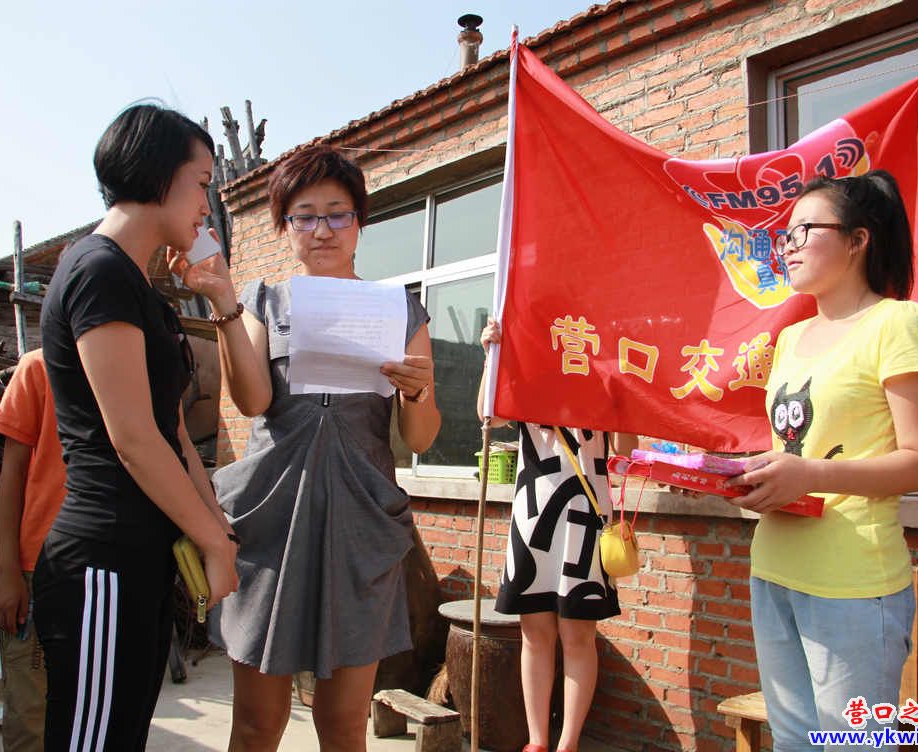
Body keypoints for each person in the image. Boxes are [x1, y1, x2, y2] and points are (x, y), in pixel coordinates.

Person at [171, 144, 442, 752]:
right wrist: (223, 305)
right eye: (305, 216)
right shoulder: (263, 302)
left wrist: (418, 391)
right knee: (256, 725)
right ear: (285, 226)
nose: (322, 230)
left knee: (343, 726)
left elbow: (421, 437)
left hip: (360, 524)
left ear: (360, 223)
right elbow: (252, 402)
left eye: (338, 214)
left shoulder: (399, 309)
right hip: (272, 520)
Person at [34, 103, 239, 752]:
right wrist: (213, 543)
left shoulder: (143, 292)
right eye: (201, 182)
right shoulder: (97, 271)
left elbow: (173, 435)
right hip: (104, 561)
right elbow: (133, 439)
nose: (207, 206)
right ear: (158, 173)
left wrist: (219, 531)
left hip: (144, 562)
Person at [727, 170, 918, 750]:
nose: (789, 245)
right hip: (774, 568)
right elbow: (794, 450)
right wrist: (753, 480)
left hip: (853, 581)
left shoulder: (899, 323)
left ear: (858, 240)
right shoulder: (792, 338)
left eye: (805, 230)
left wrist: (811, 474)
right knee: (793, 741)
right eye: (786, 235)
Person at [476, 318, 636, 752]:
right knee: (534, 629)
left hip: (585, 511)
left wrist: (624, 388)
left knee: (578, 633)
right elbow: (489, 416)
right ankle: (537, 741)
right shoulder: (530, 361)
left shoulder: (606, 363)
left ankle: (568, 743)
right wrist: (493, 357)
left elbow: (626, 450)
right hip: (534, 508)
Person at [0, 348, 65, 751]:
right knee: (30, 717)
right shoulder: (38, 367)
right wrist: (7, 571)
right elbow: (12, 472)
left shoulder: (137, 361)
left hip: (109, 568)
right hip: (38, 568)